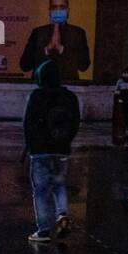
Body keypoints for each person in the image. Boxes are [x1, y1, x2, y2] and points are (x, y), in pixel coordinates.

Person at [22, 59, 81, 241]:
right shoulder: (70, 97)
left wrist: (30, 145)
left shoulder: (36, 96)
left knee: (40, 191)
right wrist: (67, 141)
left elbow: (27, 123)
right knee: (59, 185)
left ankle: (43, 230)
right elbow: (75, 122)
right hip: (62, 149)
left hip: (40, 150)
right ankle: (62, 214)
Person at [19, 0, 91, 82]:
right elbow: (24, 66)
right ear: (49, 11)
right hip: (41, 87)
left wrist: (62, 49)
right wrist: (47, 49)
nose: (58, 10)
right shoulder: (38, 33)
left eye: (62, 7)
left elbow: (84, 66)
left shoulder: (78, 33)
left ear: (68, 10)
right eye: (54, 7)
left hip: (68, 85)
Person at [113, 68, 128, 147]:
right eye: (124, 73)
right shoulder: (120, 82)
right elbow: (116, 91)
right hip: (123, 100)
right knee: (124, 114)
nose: (126, 75)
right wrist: (119, 95)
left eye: (127, 73)